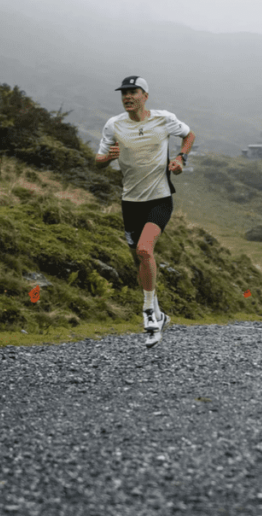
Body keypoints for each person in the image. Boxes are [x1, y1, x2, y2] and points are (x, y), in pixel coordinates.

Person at [95, 76, 195, 348]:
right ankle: (160, 313)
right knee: (139, 259)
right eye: (124, 93)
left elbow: (189, 134)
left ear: (145, 95)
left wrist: (179, 158)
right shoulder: (114, 125)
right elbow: (98, 160)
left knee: (144, 250)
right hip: (130, 202)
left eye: (133, 92)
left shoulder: (163, 119)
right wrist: (109, 157)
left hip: (159, 199)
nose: (127, 97)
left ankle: (149, 314)